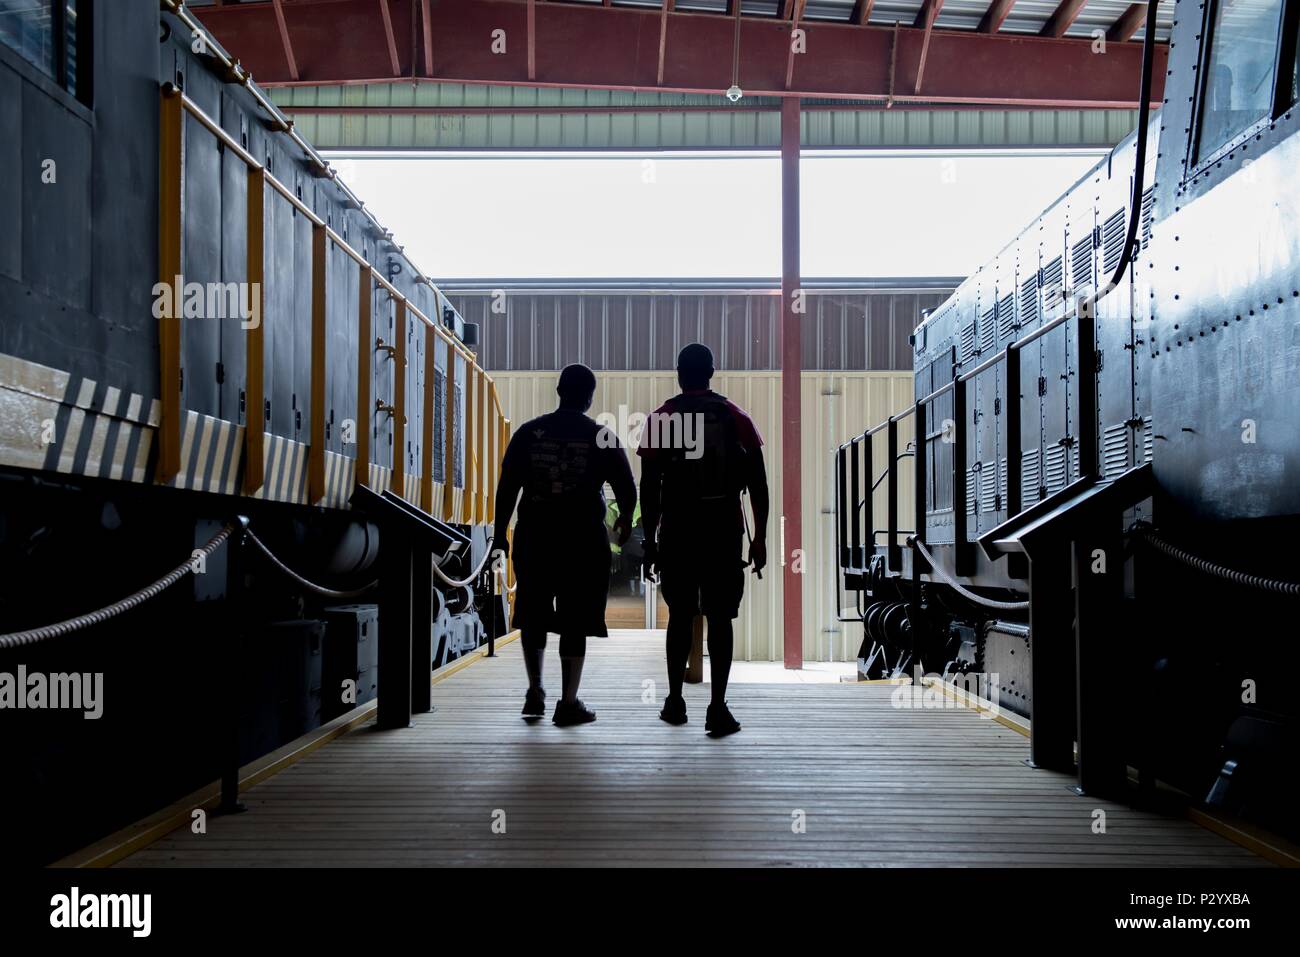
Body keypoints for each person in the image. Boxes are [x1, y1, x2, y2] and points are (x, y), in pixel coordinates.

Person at [491, 364, 635, 726]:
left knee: (532, 612)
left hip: (535, 536)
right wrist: (624, 522)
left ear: (558, 391)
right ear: (589, 397)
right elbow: (627, 488)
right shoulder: (600, 436)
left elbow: (507, 488)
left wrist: (498, 536)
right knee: (576, 619)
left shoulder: (528, 433)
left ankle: (535, 690)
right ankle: (568, 702)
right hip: (582, 541)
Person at [639, 343, 768, 737]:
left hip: (678, 529)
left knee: (680, 615)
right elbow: (758, 486)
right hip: (722, 528)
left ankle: (675, 701)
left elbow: (648, 487)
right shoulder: (736, 417)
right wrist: (759, 539)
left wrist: (650, 543)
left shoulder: (661, 418)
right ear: (712, 373)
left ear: (679, 373)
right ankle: (717, 707)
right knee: (720, 617)